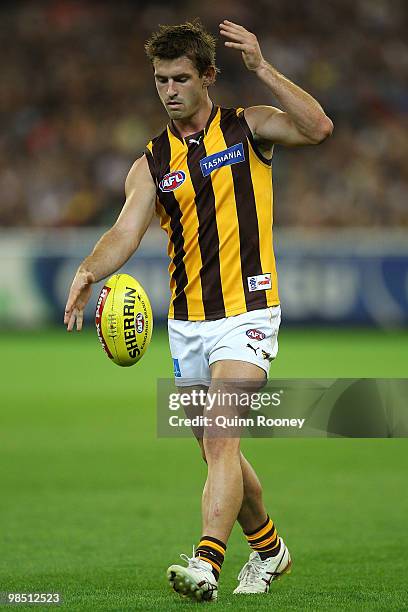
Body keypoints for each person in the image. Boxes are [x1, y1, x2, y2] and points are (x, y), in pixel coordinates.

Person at [64, 19, 333, 602]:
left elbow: (318, 128)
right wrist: (89, 269)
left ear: (209, 76)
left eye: (181, 78)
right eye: (160, 80)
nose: (169, 90)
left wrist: (262, 67)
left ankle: (206, 563)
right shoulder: (152, 162)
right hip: (187, 324)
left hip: (249, 309)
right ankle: (271, 551)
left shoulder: (246, 126)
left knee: (221, 436)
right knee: (218, 450)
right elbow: (125, 232)